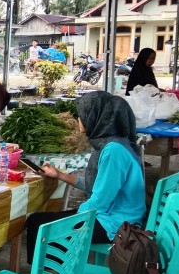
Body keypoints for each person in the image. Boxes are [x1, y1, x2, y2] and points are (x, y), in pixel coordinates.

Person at [24, 91, 145, 264]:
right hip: (115, 215)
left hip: (116, 223)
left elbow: (100, 201)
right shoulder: (115, 143)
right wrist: (59, 175)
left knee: (39, 225)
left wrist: (74, 216)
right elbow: (97, 186)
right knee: (45, 221)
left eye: (82, 115)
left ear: (97, 117)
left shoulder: (113, 151)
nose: (79, 119)